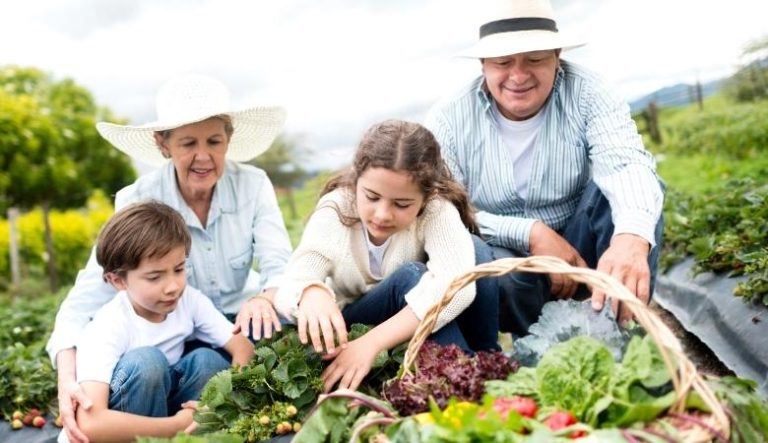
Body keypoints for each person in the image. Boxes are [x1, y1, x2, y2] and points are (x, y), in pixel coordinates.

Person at [45, 74, 292, 443]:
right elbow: (86, 299)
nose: (203, 156)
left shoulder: (253, 184)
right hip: (159, 332)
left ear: (229, 139)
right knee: (149, 364)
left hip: (229, 324)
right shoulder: (138, 199)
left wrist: (263, 298)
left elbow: (280, 266)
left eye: (214, 141)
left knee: (220, 360)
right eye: (188, 143)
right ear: (163, 145)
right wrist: (68, 379)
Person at [424, 0, 664, 337]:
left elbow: (626, 164)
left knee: (636, 203)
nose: (519, 76)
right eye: (503, 62)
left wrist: (630, 239)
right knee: (486, 260)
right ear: (483, 65)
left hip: (581, 243)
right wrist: (531, 234)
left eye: (535, 59)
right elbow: (443, 211)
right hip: (507, 254)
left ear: (557, 56)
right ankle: (537, 351)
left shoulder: (589, 92)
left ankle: (620, 332)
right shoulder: (448, 119)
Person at [265, 119, 500, 393]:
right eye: (372, 197)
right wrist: (310, 292)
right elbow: (294, 277)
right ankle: (468, 383)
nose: (382, 214)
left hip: (407, 321)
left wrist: (373, 343)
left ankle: (484, 363)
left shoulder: (436, 210)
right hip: (355, 324)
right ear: (356, 182)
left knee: (476, 254)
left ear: (427, 196)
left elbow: (456, 290)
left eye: (402, 204)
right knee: (411, 276)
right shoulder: (337, 207)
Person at [74, 201, 254, 441]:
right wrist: (174, 425)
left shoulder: (189, 300)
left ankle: (194, 436)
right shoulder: (108, 326)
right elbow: (90, 423)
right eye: (154, 277)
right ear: (118, 281)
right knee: (147, 362)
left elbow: (242, 346)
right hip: (119, 426)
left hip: (165, 407)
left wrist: (221, 399)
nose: (173, 287)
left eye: (179, 269)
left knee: (207, 360)